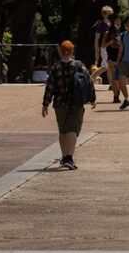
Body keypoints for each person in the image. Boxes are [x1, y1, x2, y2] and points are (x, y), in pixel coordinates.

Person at [41, 40, 96, 170]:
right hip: (75, 102)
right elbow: (89, 81)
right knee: (73, 130)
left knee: (63, 131)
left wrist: (45, 104)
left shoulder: (56, 67)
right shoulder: (79, 65)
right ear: (72, 51)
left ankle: (64, 155)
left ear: (60, 51)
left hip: (59, 104)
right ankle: (68, 158)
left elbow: (50, 87)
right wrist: (92, 98)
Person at [92, 6, 113, 80]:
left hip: (112, 48)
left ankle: (90, 80)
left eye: (109, 13)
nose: (107, 15)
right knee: (109, 66)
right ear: (103, 14)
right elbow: (96, 39)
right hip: (104, 48)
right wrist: (97, 52)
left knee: (104, 67)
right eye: (105, 13)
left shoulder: (112, 24)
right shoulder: (101, 25)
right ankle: (111, 85)